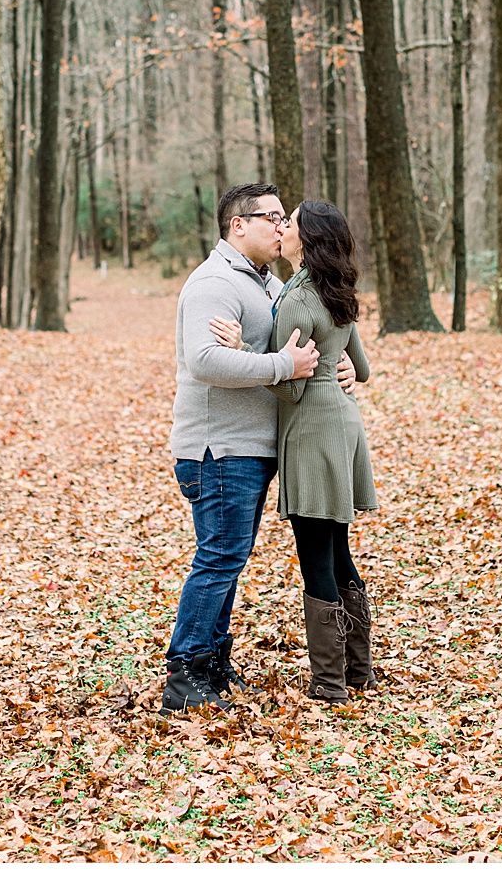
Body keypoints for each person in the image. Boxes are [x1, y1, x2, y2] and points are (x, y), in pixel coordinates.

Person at [162, 183, 361, 715]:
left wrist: (335, 365)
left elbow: (306, 340)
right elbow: (205, 360)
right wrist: (282, 366)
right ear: (238, 225)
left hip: (256, 447)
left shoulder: (269, 283)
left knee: (230, 558)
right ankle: (185, 672)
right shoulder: (213, 283)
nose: (280, 226)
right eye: (271, 217)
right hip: (219, 447)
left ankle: (213, 661)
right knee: (220, 557)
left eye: (282, 218)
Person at [212, 199, 379, 702]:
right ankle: (358, 670)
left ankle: (330, 683)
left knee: (316, 557)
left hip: (312, 432)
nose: (282, 228)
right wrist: (337, 368)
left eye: (291, 223)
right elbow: (360, 368)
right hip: (344, 425)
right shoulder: (337, 291)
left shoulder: (298, 299)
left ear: (306, 240)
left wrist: (243, 352)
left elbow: (292, 385)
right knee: (338, 548)